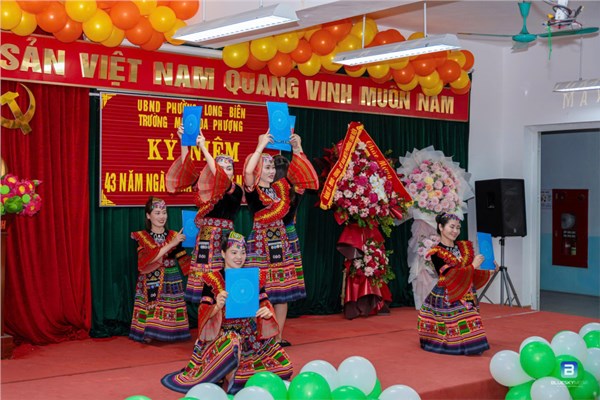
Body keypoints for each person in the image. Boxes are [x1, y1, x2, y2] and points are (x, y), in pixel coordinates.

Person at [161, 231, 293, 394]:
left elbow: (264, 304)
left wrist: (267, 311)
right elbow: (202, 315)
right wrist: (217, 306)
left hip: (249, 337)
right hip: (221, 337)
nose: (239, 257)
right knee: (232, 342)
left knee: (285, 367)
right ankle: (232, 381)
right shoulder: (212, 279)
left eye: (243, 252)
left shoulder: (253, 277)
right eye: (234, 252)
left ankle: (231, 375)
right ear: (223, 254)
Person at [244, 132, 318, 346]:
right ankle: (257, 336)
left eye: (272, 168)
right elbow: (247, 172)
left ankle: (277, 337)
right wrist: (260, 146)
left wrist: (297, 148)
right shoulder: (253, 191)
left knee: (282, 294)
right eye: (266, 167)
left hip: (281, 243)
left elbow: (304, 177)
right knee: (259, 292)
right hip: (259, 244)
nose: (271, 171)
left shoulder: (281, 189)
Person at [166, 126, 243, 304]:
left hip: (225, 240)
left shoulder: (236, 190)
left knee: (226, 282)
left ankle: (227, 319)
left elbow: (220, 178)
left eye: (229, 168)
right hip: (206, 239)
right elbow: (187, 171)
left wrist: (204, 148)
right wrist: (184, 142)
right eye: (221, 167)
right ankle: (207, 318)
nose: (225, 171)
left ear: (233, 172)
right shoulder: (205, 189)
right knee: (205, 286)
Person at [417, 212, 496, 355]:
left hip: (467, 291)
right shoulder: (436, 252)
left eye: (458, 228)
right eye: (452, 227)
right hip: (447, 294)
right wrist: (473, 265)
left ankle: (469, 343)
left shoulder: (463, 248)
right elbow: (450, 274)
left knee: (471, 322)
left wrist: (491, 271)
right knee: (456, 325)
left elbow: (470, 273)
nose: (455, 231)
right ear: (441, 227)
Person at [129, 196, 191, 343]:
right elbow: (148, 259)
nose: (162, 216)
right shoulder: (142, 237)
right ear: (148, 216)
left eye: (164, 212)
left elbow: (182, 258)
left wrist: (195, 267)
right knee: (150, 304)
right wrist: (172, 244)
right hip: (149, 276)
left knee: (170, 304)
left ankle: (171, 331)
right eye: (157, 213)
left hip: (171, 276)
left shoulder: (174, 235)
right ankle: (148, 332)